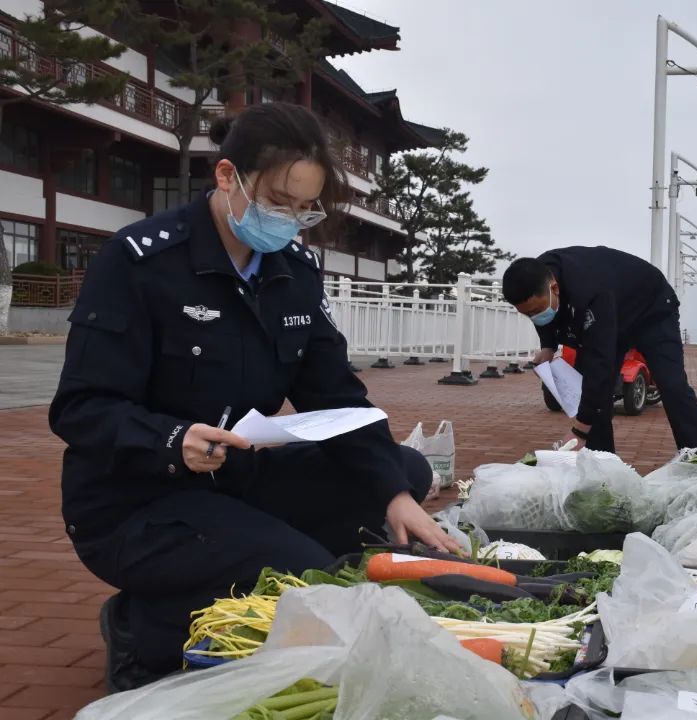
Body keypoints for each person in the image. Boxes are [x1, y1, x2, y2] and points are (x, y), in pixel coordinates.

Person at [48, 102, 458, 693]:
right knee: (296, 571)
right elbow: (81, 406)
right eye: (276, 203)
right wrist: (170, 439)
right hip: (133, 502)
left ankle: (249, 561)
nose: (289, 221)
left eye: (303, 209)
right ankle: (146, 628)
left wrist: (393, 494)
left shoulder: (292, 270)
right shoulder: (142, 262)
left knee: (402, 472)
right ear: (226, 177)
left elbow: (335, 392)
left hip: (231, 478)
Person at [502, 247, 697, 455]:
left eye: (537, 311)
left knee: (671, 385)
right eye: (528, 314)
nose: (535, 317)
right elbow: (544, 315)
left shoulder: (590, 290)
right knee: (591, 393)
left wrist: (580, 431)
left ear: (554, 288)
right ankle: (601, 465)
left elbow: (599, 365)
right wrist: (548, 346)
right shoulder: (537, 275)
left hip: (651, 310)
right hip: (612, 309)